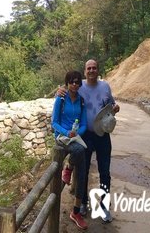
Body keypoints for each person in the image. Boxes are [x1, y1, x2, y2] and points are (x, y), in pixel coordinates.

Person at [57, 59, 120, 223]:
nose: (91, 70)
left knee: (105, 172)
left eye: (94, 68)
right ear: (85, 71)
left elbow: (112, 105)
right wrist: (59, 90)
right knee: (83, 171)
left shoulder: (105, 86)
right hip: (86, 136)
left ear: (98, 70)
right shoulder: (79, 85)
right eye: (88, 68)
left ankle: (104, 206)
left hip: (102, 135)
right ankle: (83, 202)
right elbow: (66, 91)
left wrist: (116, 108)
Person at [51, 70, 88, 230]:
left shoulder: (81, 101)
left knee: (83, 173)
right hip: (62, 135)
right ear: (67, 83)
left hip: (75, 136)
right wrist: (67, 133)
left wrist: (77, 133)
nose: (74, 84)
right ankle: (68, 168)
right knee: (80, 151)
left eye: (77, 82)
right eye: (71, 81)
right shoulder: (61, 99)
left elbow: (85, 123)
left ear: (80, 84)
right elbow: (54, 122)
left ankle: (76, 211)